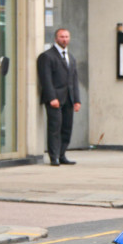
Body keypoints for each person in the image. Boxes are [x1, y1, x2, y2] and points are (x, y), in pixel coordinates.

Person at [37, 28, 82, 166]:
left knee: (67, 128)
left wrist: (77, 100)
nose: (65, 39)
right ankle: (54, 157)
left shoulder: (71, 57)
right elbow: (46, 79)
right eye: (62, 37)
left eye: (67, 36)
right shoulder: (47, 56)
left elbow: (74, 80)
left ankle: (62, 154)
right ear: (56, 38)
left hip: (68, 98)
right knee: (55, 127)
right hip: (55, 99)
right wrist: (52, 98)